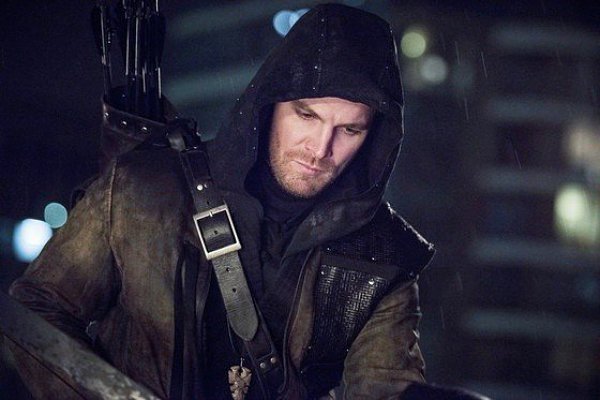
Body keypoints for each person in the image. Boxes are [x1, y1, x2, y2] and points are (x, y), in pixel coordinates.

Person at [9, 4, 439, 399]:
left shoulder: (382, 256)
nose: (320, 148)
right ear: (270, 105)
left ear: (373, 137)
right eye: (307, 115)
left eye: (349, 130)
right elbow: (36, 311)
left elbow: (387, 390)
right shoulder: (144, 189)